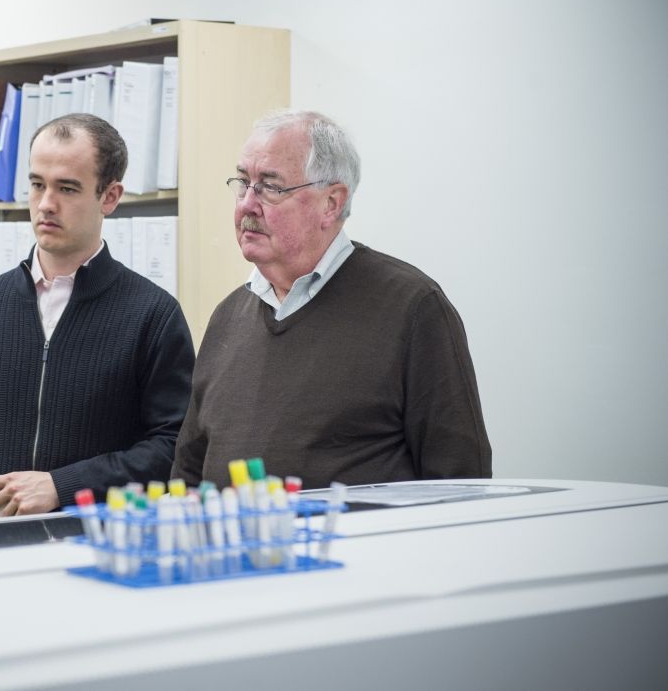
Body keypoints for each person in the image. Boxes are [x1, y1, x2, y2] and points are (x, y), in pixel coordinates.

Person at [171, 110, 491, 489]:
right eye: (243, 183)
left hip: (360, 548)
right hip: (231, 547)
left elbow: (460, 481)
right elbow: (188, 473)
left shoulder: (413, 307)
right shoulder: (228, 316)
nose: (246, 205)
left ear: (331, 203)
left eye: (270, 187)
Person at [0, 113, 195, 516]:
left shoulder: (154, 315)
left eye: (67, 188)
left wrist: (64, 486)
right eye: (37, 184)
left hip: (100, 549)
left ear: (109, 196)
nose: (45, 204)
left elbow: (172, 448)